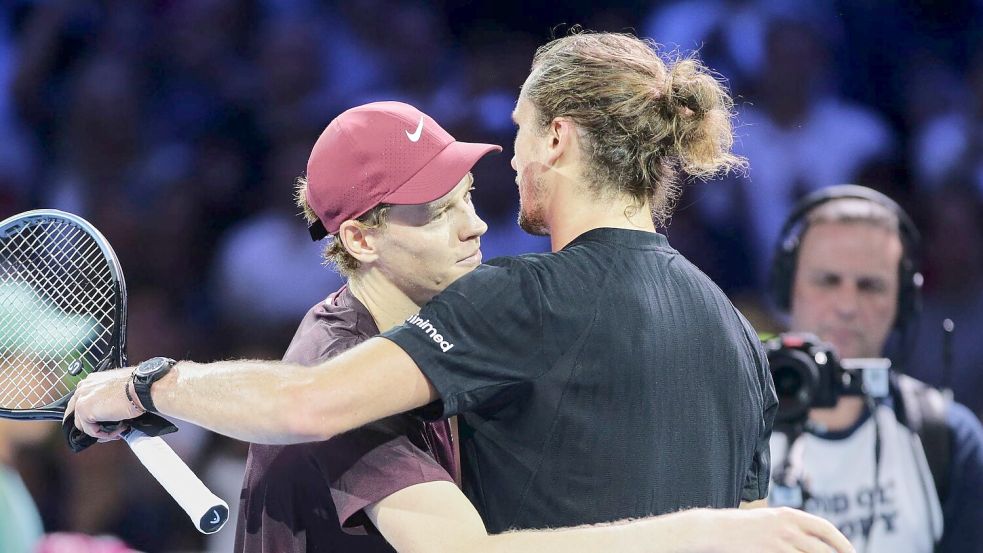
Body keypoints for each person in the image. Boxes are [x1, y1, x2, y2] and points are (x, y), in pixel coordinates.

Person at [72, 33, 851, 552]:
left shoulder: (509, 302)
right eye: (441, 206)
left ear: (556, 138)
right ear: (359, 239)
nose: (498, 185)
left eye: (516, 131)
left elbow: (309, 407)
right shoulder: (737, 336)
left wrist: (147, 382)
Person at [766, 184, 983, 553]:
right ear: (788, 288)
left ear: (903, 303)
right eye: (828, 281)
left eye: (870, 286)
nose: (848, 305)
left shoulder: (948, 438)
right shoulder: (728, 434)